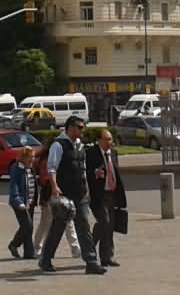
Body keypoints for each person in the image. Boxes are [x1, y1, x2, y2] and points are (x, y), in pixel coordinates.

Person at [39, 117, 105, 275]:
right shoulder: (59, 145)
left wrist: (89, 183)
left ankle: (91, 261)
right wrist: (55, 186)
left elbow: (82, 169)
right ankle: (45, 259)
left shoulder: (80, 146)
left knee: (83, 226)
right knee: (58, 227)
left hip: (80, 193)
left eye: (83, 127)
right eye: (80, 127)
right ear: (70, 128)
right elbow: (52, 168)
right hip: (65, 194)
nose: (82, 130)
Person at [32, 136, 82, 260]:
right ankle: (39, 248)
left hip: (54, 192)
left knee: (63, 221)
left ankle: (75, 249)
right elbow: (46, 177)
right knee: (50, 222)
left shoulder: (48, 157)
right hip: (50, 192)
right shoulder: (47, 160)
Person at [85, 129, 128, 268]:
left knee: (110, 226)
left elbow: (116, 172)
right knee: (104, 222)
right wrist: (94, 173)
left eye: (110, 139)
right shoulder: (90, 153)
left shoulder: (113, 153)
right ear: (99, 140)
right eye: (107, 139)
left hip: (112, 193)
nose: (110, 142)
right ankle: (89, 246)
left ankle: (107, 257)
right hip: (98, 195)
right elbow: (85, 172)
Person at [7, 145, 37, 260]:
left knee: (28, 227)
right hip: (19, 203)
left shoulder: (30, 167)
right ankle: (14, 244)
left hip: (30, 202)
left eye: (33, 157)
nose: (32, 159)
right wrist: (18, 201)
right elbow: (13, 186)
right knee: (27, 226)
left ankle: (29, 253)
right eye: (30, 157)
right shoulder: (16, 168)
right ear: (23, 157)